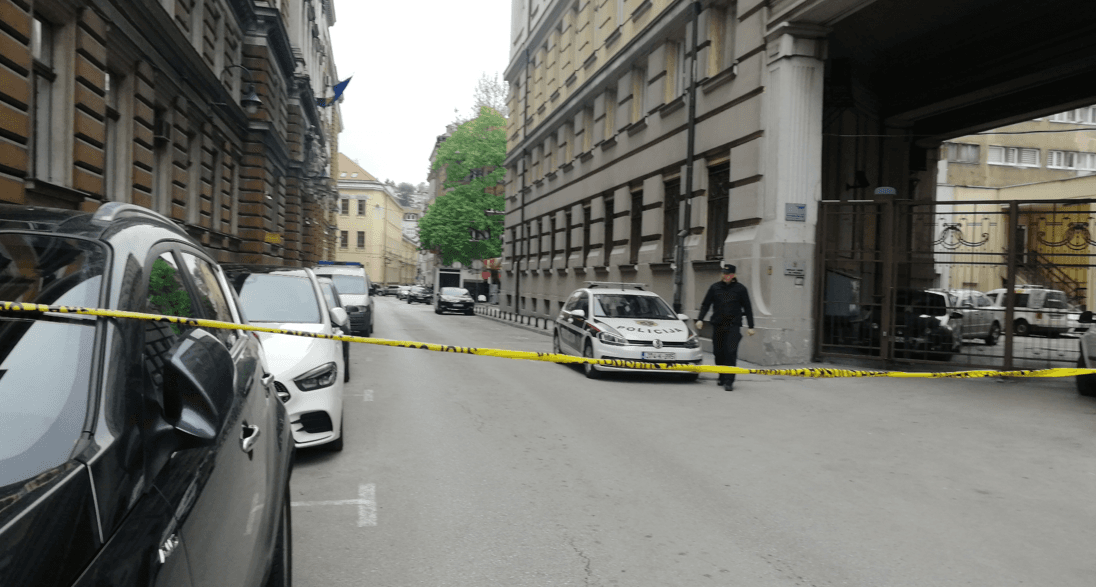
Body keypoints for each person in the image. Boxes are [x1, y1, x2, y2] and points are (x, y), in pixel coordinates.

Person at [695, 264, 755, 391]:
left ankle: (729, 381)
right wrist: (700, 318)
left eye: (728, 274)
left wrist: (751, 326)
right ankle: (721, 376)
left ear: (734, 275)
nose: (725, 276)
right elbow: (706, 304)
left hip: (733, 326)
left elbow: (748, 308)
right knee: (718, 352)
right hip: (718, 325)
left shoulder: (741, 289)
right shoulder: (715, 287)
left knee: (731, 352)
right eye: (724, 274)